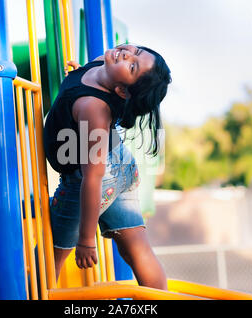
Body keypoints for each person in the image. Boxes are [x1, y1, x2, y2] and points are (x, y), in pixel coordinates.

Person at [43, 43, 171, 290]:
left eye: (132, 66)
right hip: (121, 163)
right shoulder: (104, 62)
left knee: (50, 255)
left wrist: (86, 240)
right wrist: (78, 73)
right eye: (137, 51)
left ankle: (32, 293)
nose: (127, 54)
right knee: (136, 246)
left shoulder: (94, 109)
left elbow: (94, 178)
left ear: (122, 91)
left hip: (92, 179)